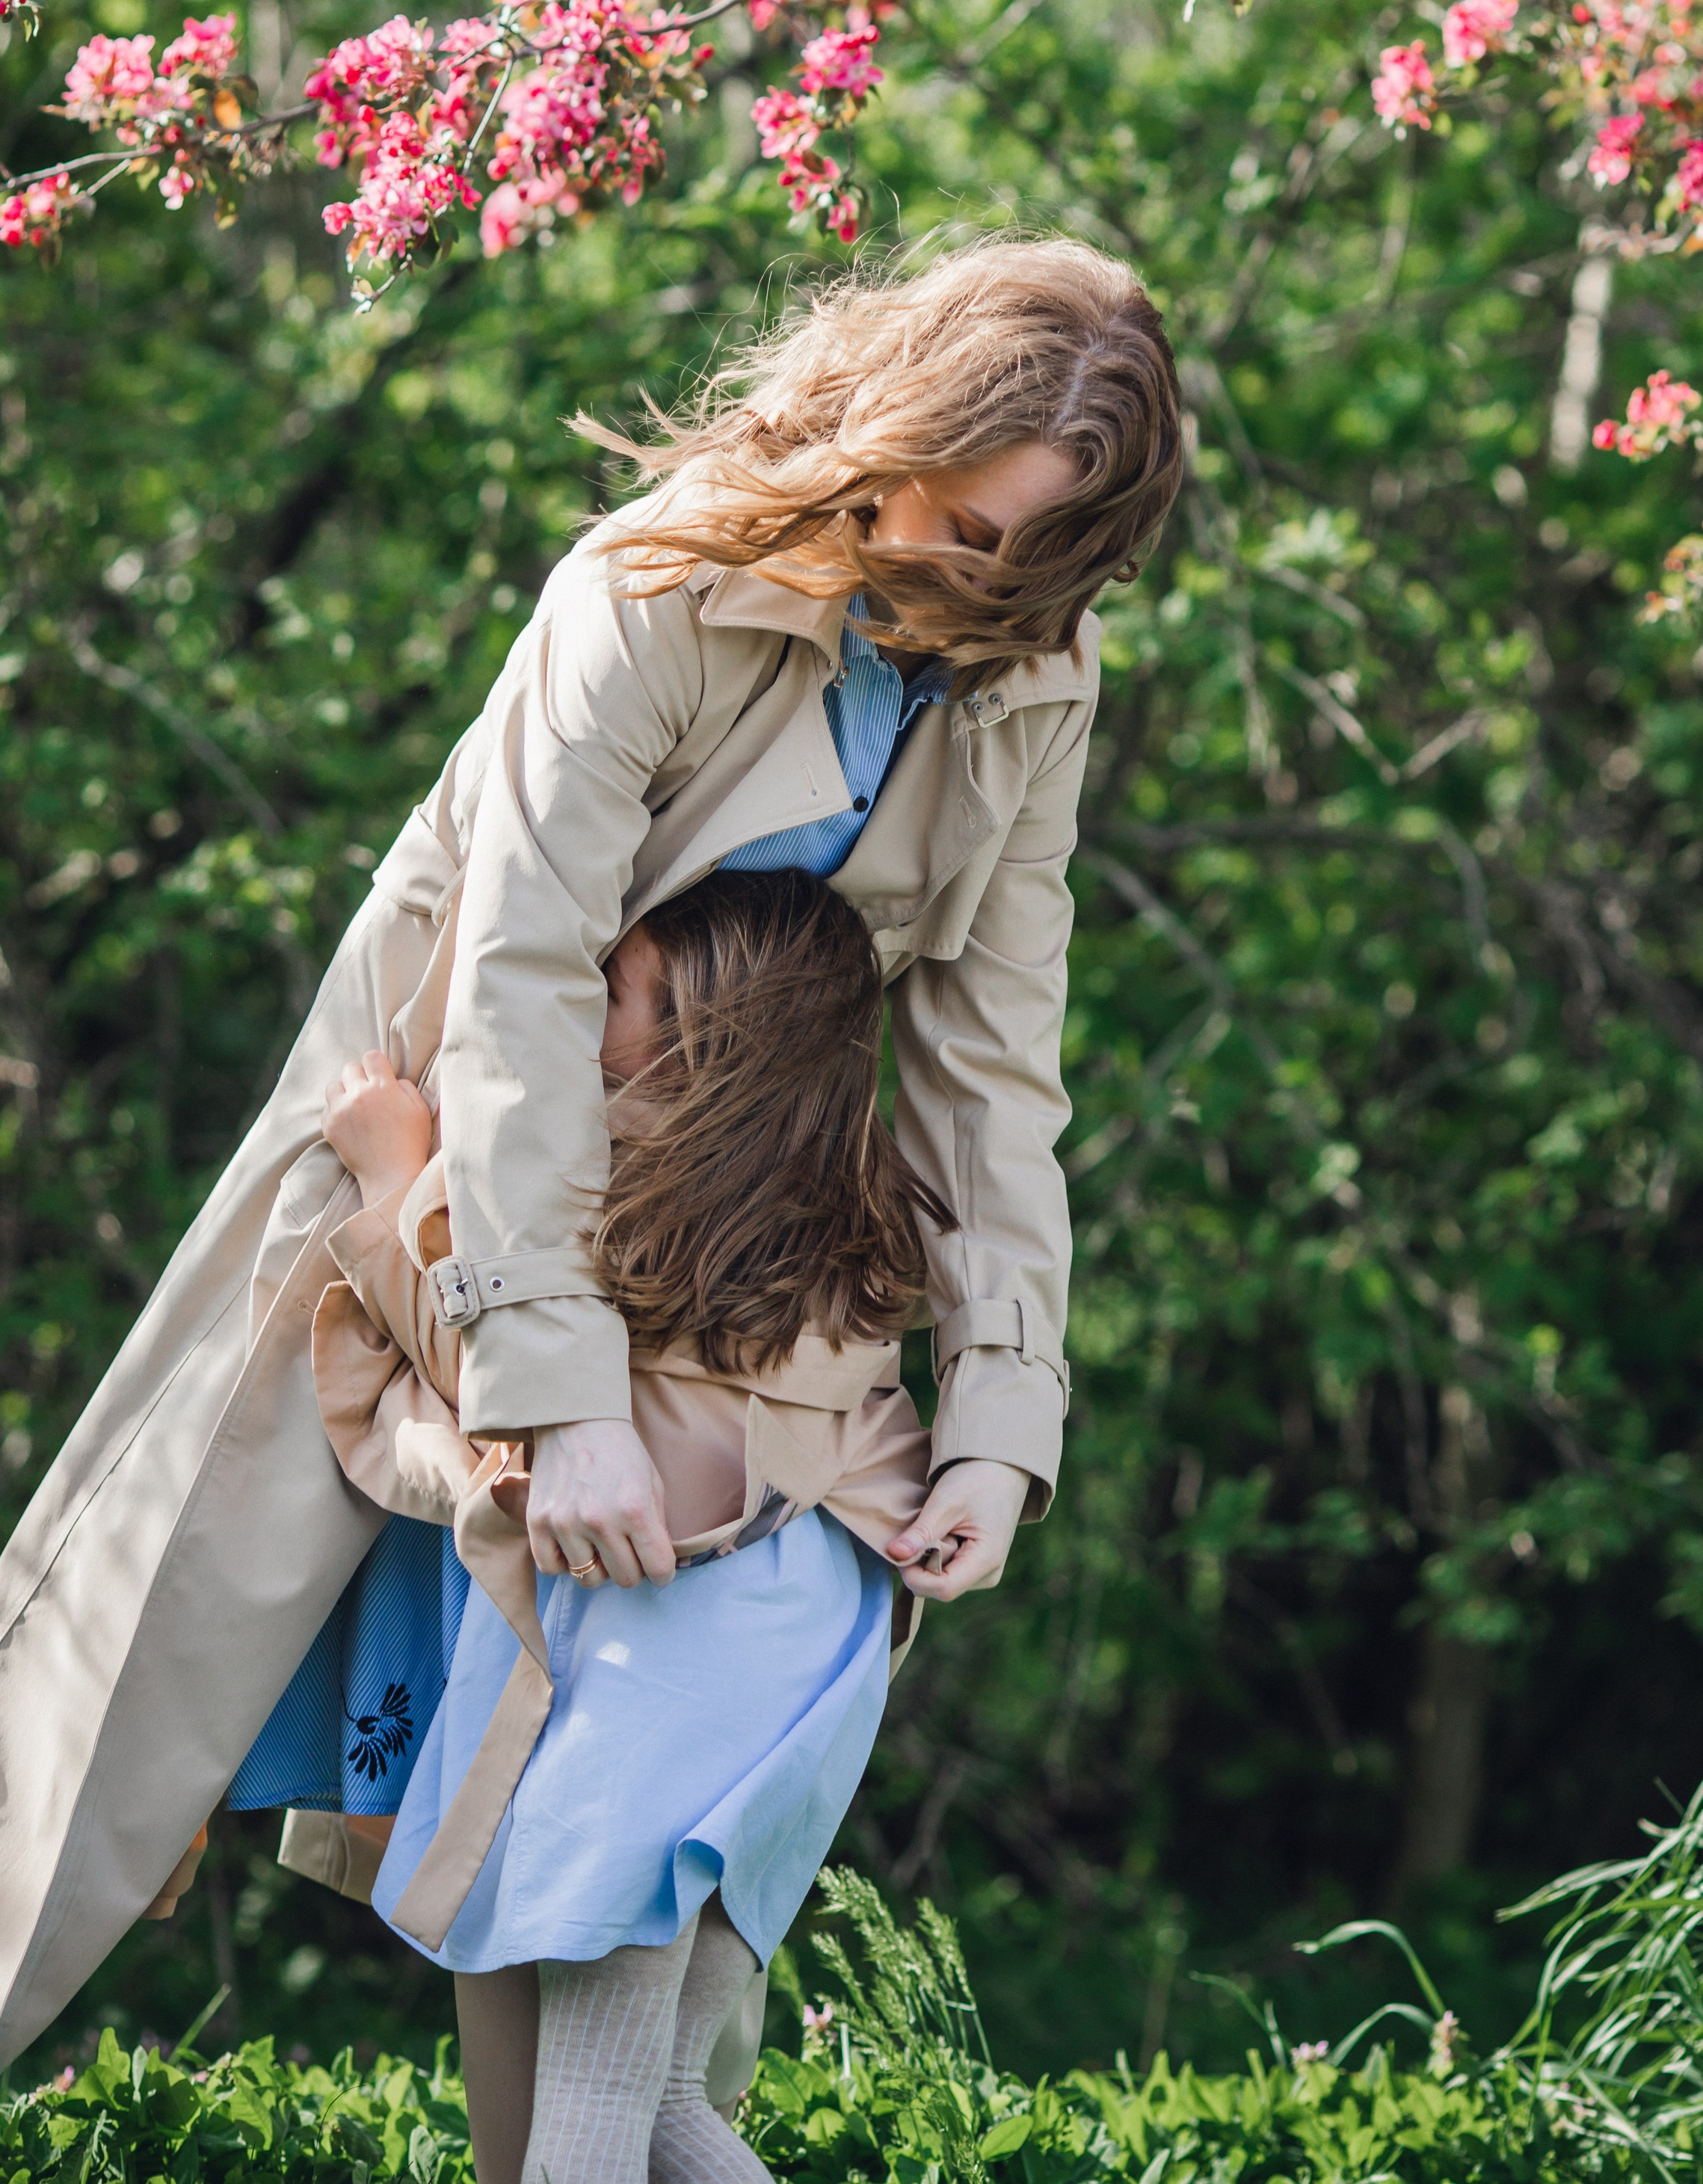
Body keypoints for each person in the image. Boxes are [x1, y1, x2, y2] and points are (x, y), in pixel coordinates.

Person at [0, 236, 1182, 2067]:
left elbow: (986, 1054)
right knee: (120, 1713)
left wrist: (1003, 1410)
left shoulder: (1038, 668)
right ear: (892, 430)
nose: (987, 586)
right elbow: (521, 973)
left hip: (735, 1254)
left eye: (1040, 556)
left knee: (591, 1807)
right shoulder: (654, 584)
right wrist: (551, 1393)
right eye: (966, 527)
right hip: (449, 1165)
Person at [276, 870, 948, 2184]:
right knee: (655, 2111)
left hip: (663, 1698)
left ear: (699, 1037)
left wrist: (394, 1171)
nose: (584, 1015)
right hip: (791, 1687)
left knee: (585, 2131)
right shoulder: (813, 1219)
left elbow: (502, 1384)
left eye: (618, 988)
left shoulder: (637, 1198)